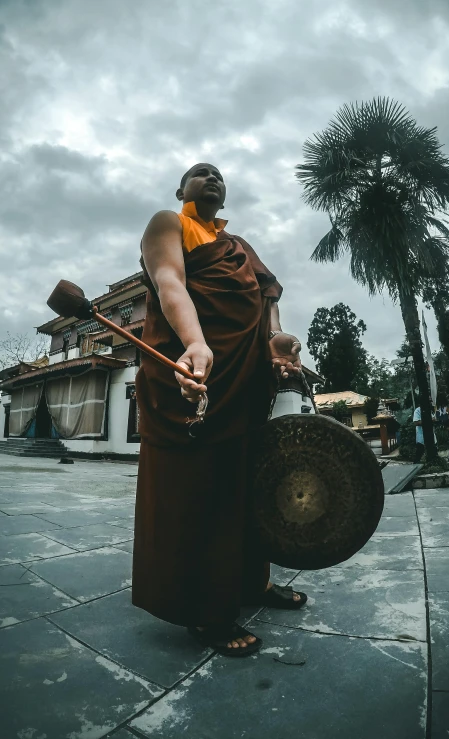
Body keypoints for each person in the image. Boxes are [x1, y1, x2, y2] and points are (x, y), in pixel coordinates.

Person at [133, 163, 307, 658]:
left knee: (248, 486)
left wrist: (280, 343)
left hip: (244, 381)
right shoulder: (169, 222)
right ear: (180, 189)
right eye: (198, 173)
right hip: (194, 373)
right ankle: (206, 610)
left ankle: (255, 582)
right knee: (201, 493)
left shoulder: (241, 250)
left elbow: (263, 318)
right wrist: (194, 342)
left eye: (218, 175)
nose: (211, 177)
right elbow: (169, 281)